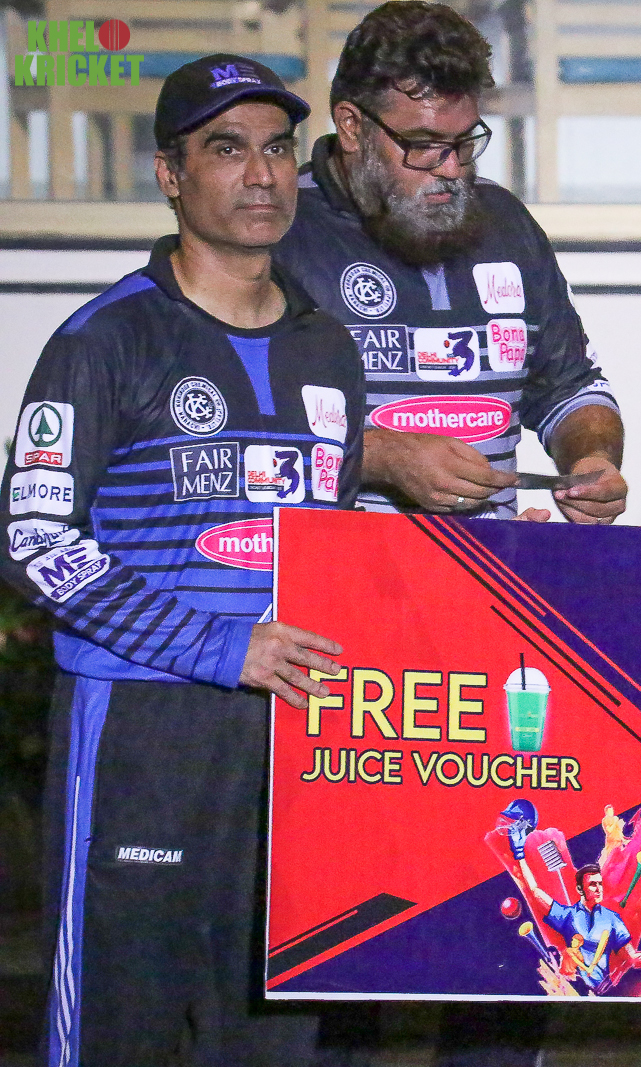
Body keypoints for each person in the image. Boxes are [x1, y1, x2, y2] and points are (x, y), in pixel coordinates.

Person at [1, 55, 364, 1066]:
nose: (261, 173)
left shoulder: (328, 349)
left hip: (291, 734)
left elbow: (340, 540)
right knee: (117, 1032)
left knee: (271, 1040)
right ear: (171, 175)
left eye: (278, 149)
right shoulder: (102, 339)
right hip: (141, 730)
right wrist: (218, 645)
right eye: (227, 149)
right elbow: (32, 539)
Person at [274, 0, 626, 524]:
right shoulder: (280, 232)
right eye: (424, 145)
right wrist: (382, 457)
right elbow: (226, 428)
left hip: (491, 568)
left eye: (465, 143)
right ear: (351, 126)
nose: (452, 169)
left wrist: (591, 460)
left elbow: (571, 387)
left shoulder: (507, 223)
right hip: (339, 568)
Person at [525, 863, 641, 993]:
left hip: (602, 990)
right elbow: (535, 892)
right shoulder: (568, 915)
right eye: (593, 884)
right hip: (571, 990)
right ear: (580, 889)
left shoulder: (612, 919)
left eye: (600, 883)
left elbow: (633, 958)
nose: (599, 889)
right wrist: (520, 857)